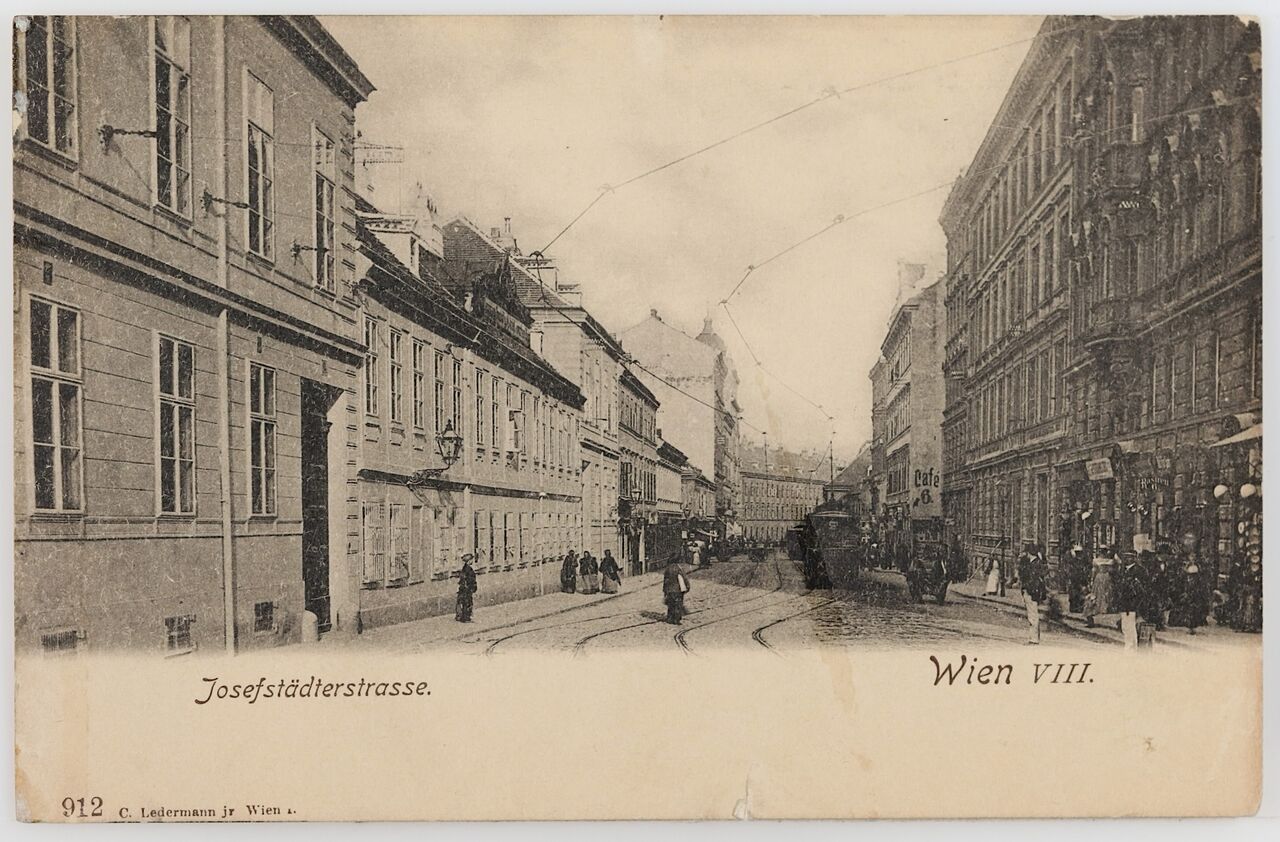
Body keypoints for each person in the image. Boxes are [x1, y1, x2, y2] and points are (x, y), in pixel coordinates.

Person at [1017, 542, 1048, 645]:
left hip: (1031, 592)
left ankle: (1034, 639)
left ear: (1029, 552)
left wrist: (1026, 588)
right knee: (1032, 614)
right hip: (1032, 591)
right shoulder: (1033, 563)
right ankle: (1034, 637)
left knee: (1032, 615)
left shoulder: (1034, 564)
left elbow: (1033, 580)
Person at [1085, 550, 1116, 628]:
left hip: (1101, 577)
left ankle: (1102, 607)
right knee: (1102, 592)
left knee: (1102, 593)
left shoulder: (1097, 560)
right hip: (1105, 577)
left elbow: (1094, 571)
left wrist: (1092, 580)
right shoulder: (1109, 561)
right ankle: (1103, 607)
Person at [1182, 560, 1212, 635]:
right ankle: (1191, 627)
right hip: (1192, 598)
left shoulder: (1196, 582)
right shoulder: (1191, 581)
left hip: (1194, 598)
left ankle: (1192, 628)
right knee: (1191, 613)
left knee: (1193, 612)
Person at [663, 555, 689, 624]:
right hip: (678, 589)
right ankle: (676, 619)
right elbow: (684, 577)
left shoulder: (667, 569)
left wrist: (665, 590)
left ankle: (670, 618)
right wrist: (687, 586)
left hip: (670, 590)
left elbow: (665, 580)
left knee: (671, 604)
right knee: (678, 604)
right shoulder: (679, 568)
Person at [1066, 544, 1090, 614]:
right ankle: (1074, 608)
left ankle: (1079, 608)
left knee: (1080, 594)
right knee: (1074, 594)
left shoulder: (1083, 561)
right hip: (1075, 579)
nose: (1079, 554)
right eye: (1077, 553)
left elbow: (1086, 569)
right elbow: (1070, 570)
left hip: (1080, 579)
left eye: (1079, 553)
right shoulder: (1073, 561)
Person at [455, 554, 478, 622]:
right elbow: (470, 579)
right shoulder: (468, 569)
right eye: (471, 560)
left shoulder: (465, 568)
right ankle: (465, 618)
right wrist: (472, 588)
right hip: (467, 589)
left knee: (464, 602)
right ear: (469, 561)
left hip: (464, 588)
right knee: (467, 602)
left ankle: (464, 617)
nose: (472, 561)